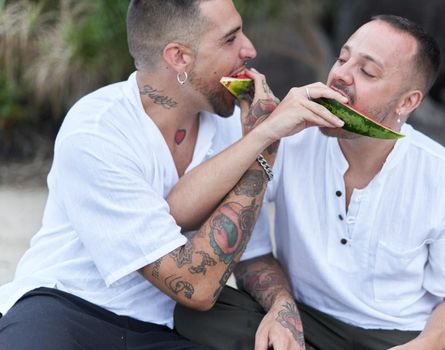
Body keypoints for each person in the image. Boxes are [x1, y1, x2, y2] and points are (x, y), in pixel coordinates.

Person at [0, 0, 347, 349]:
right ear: (179, 57)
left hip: (167, 327)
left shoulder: (231, 127)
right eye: (230, 39)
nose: (250, 49)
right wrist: (266, 138)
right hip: (67, 309)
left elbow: (250, 255)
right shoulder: (96, 132)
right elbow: (193, 285)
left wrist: (281, 307)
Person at [175, 15, 445, 350]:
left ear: (407, 101)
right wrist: (266, 130)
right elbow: (181, 211)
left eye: (367, 72)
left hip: (399, 334)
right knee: (197, 313)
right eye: (342, 58)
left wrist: (421, 347)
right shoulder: (291, 139)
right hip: (308, 320)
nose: (340, 74)